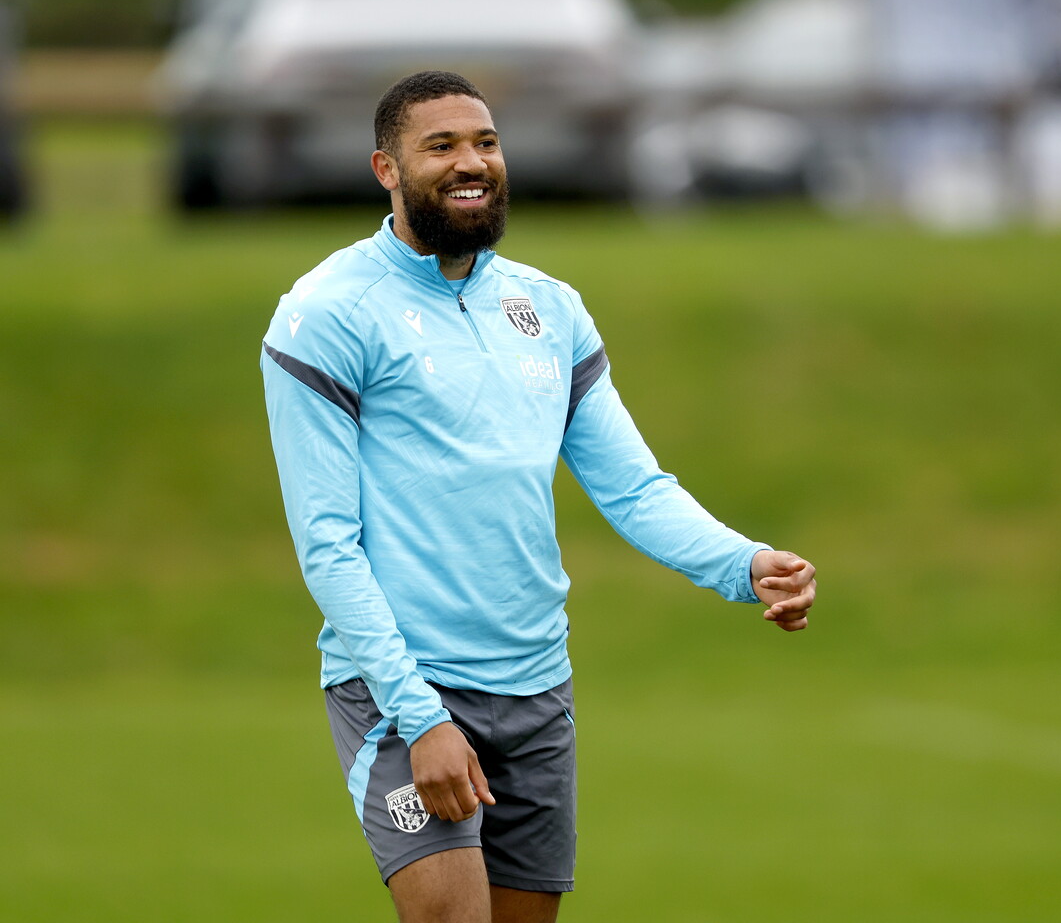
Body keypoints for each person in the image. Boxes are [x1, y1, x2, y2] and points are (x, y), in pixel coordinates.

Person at [261, 70, 817, 923]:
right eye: (439, 145)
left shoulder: (549, 309)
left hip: (535, 690)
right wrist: (421, 719)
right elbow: (328, 543)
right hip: (405, 689)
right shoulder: (328, 315)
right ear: (386, 169)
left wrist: (746, 565)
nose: (470, 161)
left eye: (484, 141)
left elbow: (634, 488)